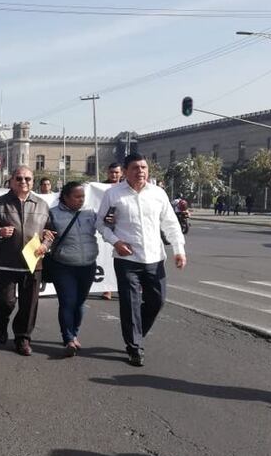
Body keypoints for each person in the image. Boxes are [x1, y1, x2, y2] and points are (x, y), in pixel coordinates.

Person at [96, 153, 186, 367]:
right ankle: (135, 346)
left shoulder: (158, 194)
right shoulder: (113, 194)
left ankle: (136, 332)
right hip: (127, 258)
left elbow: (170, 223)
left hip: (154, 258)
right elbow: (101, 223)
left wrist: (179, 250)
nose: (141, 171)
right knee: (130, 303)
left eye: (144, 167)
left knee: (157, 300)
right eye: (135, 168)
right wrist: (116, 242)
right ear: (126, 171)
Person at [0, 165, 53, 356]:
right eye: (19, 178)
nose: (23, 182)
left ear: (33, 181)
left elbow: (51, 232)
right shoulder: (0, 203)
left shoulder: (42, 204)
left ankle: (22, 338)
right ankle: (2, 324)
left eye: (27, 179)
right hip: (5, 263)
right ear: (11, 181)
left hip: (33, 263)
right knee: (5, 302)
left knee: (29, 306)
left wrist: (45, 244)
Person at [45, 182, 98, 356]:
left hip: (88, 266)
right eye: (77, 197)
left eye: (83, 196)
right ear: (65, 197)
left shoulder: (90, 213)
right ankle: (68, 338)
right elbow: (47, 237)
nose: (81, 200)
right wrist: (44, 244)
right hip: (63, 266)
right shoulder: (53, 214)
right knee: (68, 302)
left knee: (79, 303)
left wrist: (110, 222)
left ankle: (74, 333)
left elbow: (106, 228)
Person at [102, 162, 123, 300]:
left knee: (123, 261)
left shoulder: (126, 187)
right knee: (106, 260)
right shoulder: (101, 187)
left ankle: (123, 288)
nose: (114, 175)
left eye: (117, 172)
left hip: (122, 230)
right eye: (111, 172)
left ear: (121, 173)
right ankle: (106, 288)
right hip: (106, 229)